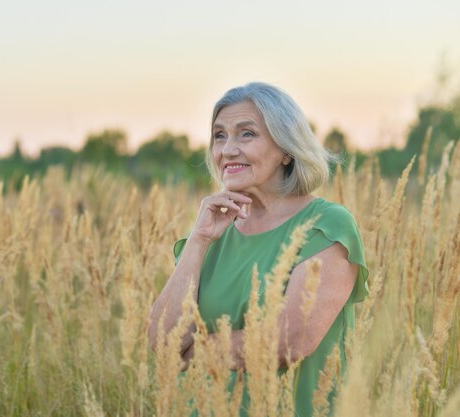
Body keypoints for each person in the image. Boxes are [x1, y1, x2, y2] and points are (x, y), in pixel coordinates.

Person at [147, 82, 369, 417]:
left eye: (246, 134)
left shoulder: (326, 226)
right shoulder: (211, 234)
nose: (228, 149)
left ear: (286, 149)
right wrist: (199, 240)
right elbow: (164, 343)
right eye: (219, 136)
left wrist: (193, 354)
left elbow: (288, 341)